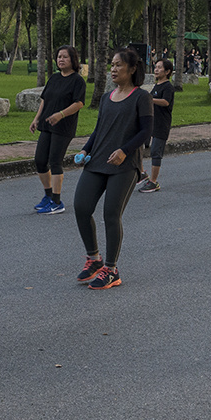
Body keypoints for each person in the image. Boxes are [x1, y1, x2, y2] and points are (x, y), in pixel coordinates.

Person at [69, 49, 154, 289]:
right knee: (81, 206)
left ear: (132, 69)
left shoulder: (141, 97)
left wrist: (125, 151)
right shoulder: (107, 97)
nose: (113, 69)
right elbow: (99, 129)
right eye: (112, 65)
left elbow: (146, 131)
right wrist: (86, 150)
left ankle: (111, 269)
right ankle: (93, 259)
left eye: (118, 65)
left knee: (110, 214)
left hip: (125, 165)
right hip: (97, 161)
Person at [30, 46, 87, 215]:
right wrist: (36, 119)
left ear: (73, 60)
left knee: (55, 161)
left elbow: (79, 103)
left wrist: (61, 115)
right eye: (59, 57)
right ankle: (48, 196)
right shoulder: (54, 78)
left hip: (63, 127)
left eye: (65, 57)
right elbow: (44, 100)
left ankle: (57, 201)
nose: (61, 59)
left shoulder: (77, 81)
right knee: (40, 160)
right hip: (47, 124)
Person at [140, 58, 177, 193]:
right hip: (151, 123)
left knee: (156, 152)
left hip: (162, 124)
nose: (156, 69)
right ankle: (142, 172)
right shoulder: (156, 86)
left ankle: (154, 182)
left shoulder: (168, 87)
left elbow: (166, 102)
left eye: (160, 67)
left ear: (167, 71)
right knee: (139, 145)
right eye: (156, 67)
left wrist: (150, 99)